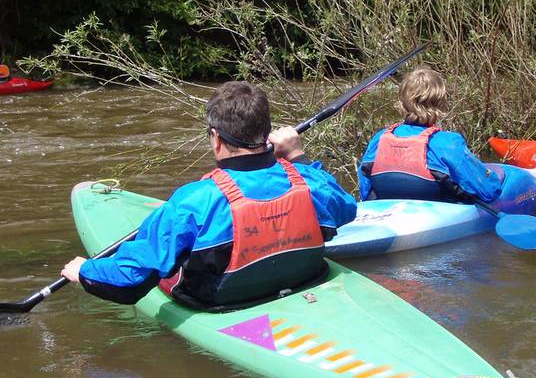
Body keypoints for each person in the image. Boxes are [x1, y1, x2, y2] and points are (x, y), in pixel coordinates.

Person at [61, 81, 358, 309]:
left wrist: (85, 271)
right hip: (304, 279)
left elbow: (133, 279)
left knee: (168, 261)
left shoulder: (193, 201)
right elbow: (347, 209)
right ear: (268, 132)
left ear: (216, 138)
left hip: (222, 301)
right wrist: (296, 156)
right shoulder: (309, 180)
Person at [357, 67, 504, 203]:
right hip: (439, 216)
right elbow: (489, 192)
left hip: (389, 213)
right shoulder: (448, 143)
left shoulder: (380, 138)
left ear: (402, 102)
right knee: (505, 177)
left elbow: (366, 191)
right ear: (440, 102)